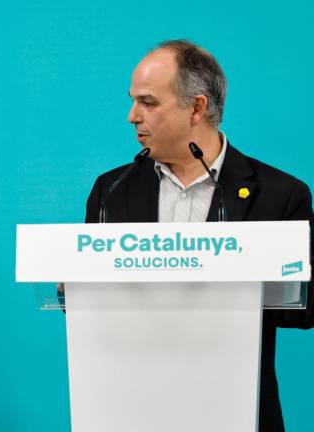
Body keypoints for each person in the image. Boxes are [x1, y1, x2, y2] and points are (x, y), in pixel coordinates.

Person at [85, 40, 313, 431]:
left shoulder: (280, 194)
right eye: (133, 101)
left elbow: (307, 308)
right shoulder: (112, 190)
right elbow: (85, 302)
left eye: (148, 102)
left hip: (239, 410)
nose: (131, 116)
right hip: (129, 409)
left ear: (196, 107)